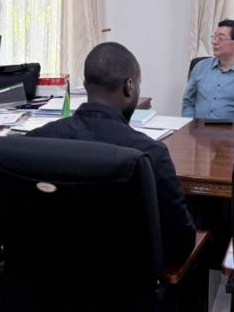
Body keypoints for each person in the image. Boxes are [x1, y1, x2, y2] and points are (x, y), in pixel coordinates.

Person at [28, 41, 196, 267]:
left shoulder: (36, 141)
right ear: (130, 86)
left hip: (49, 272)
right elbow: (180, 244)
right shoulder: (150, 153)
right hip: (128, 281)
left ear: (86, 85)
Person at [182, 19, 234, 122]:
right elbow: (188, 102)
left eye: (220, 38)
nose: (214, 42)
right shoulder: (200, 67)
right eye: (214, 37)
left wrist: (229, 129)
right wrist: (191, 124)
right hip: (197, 130)